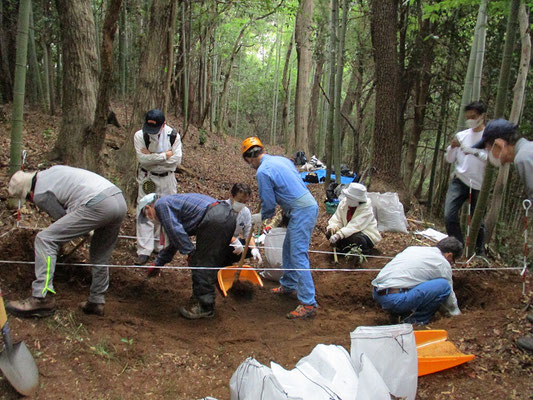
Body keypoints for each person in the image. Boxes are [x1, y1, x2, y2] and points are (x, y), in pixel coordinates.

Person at [6, 166, 127, 317]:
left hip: (97, 203)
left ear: (28, 193)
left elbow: (62, 218)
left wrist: (84, 230)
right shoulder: (50, 172)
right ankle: (96, 301)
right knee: (100, 255)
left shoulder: (40, 194)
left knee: (45, 239)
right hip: (118, 199)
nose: (32, 201)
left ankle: (41, 297)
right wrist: (86, 229)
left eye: (28, 199)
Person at [472, 118, 533, 352]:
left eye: (489, 149)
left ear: (498, 144)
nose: (490, 155)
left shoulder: (524, 158)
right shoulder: (527, 152)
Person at [241, 137, 319, 319]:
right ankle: (289, 284)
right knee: (288, 248)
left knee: (298, 253)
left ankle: (308, 303)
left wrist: (260, 217)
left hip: (302, 210)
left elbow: (268, 204)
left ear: (249, 158)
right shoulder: (282, 160)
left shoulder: (262, 172)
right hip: (303, 206)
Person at [137, 192, 236, 320]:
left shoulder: (161, 205)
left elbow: (176, 231)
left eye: (147, 215)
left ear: (148, 207)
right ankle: (201, 297)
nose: (150, 218)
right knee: (208, 260)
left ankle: (205, 306)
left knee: (201, 262)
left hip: (215, 218)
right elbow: (175, 239)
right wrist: (158, 263)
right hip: (226, 214)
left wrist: (190, 253)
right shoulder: (171, 203)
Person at [372, 237, 463, 325]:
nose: (451, 264)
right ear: (449, 255)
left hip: (378, 293)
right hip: (396, 300)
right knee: (444, 286)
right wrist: (456, 315)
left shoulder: (413, 249)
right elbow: (449, 296)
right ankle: (415, 320)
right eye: (453, 261)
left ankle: (399, 314)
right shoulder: (442, 263)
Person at [134, 109, 182, 265]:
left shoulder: (173, 136)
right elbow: (142, 160)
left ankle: (160, 246)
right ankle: (143, 250)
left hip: (168, 178)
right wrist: (164, 155)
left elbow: (176, 160)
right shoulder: (140, 135)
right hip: (148, 177)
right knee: (145, 210)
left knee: (165, 211)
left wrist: (152, 157)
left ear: (163, 125)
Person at [444, 101, 488, 254]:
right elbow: (449, 159)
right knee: (449, 215)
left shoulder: (489, 137)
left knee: (478, 222)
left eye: (473, 116)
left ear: (482, 116)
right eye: (468, 117)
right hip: (460, 179)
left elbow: (492, 160)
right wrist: (452, 147)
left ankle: (478, 252)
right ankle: (458, 247)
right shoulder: (462, 135)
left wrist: (474, 151)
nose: (470, 120)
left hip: (480, 184)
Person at [326, 182, 381, 256]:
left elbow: (355, 225)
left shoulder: (366, 209)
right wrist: (333, 227)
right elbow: (337, 217)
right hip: (346, 231)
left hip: (364, 234)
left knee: (356, 237)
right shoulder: (344, 203)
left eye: (350, 198)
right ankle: (343, 248)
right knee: (330, 233)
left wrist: (339, 235)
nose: (347, 199)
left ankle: (364, 251)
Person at [222, 183, 263, 266]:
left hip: (232, 246)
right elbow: (218, 231)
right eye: (239, 201)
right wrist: (234, 240)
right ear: (231, 196)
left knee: (249, 247)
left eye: (245, 202)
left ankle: (227, 262)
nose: (242, 204)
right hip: (217, 242)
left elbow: (248, 233)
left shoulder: (245, 212)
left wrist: (254, 248)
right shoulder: (221, 208)